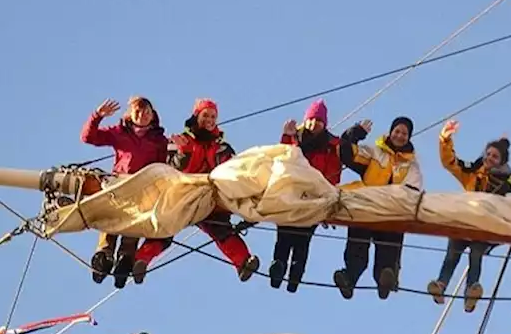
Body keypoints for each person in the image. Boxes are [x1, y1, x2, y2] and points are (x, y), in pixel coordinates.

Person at [131, 98, 261, 284]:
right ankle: (140, 261)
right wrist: (183, 152)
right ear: (196, 116)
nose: (209, 119)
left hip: (209, 199)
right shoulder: (181, 140)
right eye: (205, 115)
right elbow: (169, 167)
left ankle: (243, 262)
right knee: (166, 228)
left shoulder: (222, 147)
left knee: (222, 229)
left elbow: (234, 172)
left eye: (213, 116)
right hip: (182, 194)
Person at [427, 119, 511, 313]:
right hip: (465, 221)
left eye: (495, 156)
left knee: (476, 256)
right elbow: (451, 163)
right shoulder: (473, 172)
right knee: (452, 255)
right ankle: (441, 285)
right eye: (488, 154)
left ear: (502, 161)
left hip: (483, 229)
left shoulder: (504, 185)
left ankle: (471, 292)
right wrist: (445, 139)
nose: (490, 158)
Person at [80, 97, 168, 288]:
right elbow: (89, 137)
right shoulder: (119, 133)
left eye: (146, 112)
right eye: (138, 111)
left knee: (133, 224)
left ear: (153, 115)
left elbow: (162, 167)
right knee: (112, 220)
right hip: (119, 185)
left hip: (142, 189)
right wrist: (97, 116)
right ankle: (104, 255)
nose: (142, 115)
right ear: (130, 114)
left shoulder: (159, 140)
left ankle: (125, 259)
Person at [332, 116, 422, 300]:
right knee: (357, 246)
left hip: (391, 212)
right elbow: (346, 152)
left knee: (388, 251)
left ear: (409, 137)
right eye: (397, 131)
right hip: (367, 206)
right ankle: (349, 277)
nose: (400, 135)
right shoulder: (374, 153)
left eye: (404, 133)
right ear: (390, 132)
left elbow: (414, 191)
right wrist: (355, 133)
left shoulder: (411, 165)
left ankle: (385, 280)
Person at [269, 100, 342, 293]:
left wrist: (327, 196)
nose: (314, 124)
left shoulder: (330, 146)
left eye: (318, 120)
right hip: (292, 191)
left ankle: (296, 273)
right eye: (311, 119)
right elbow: (284, 157)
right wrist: (286, 135)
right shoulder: (296, 138)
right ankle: (278, 265)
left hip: (314, 195)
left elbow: (333, 173)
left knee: (303, 237)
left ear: (324, 123)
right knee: (284, 233)